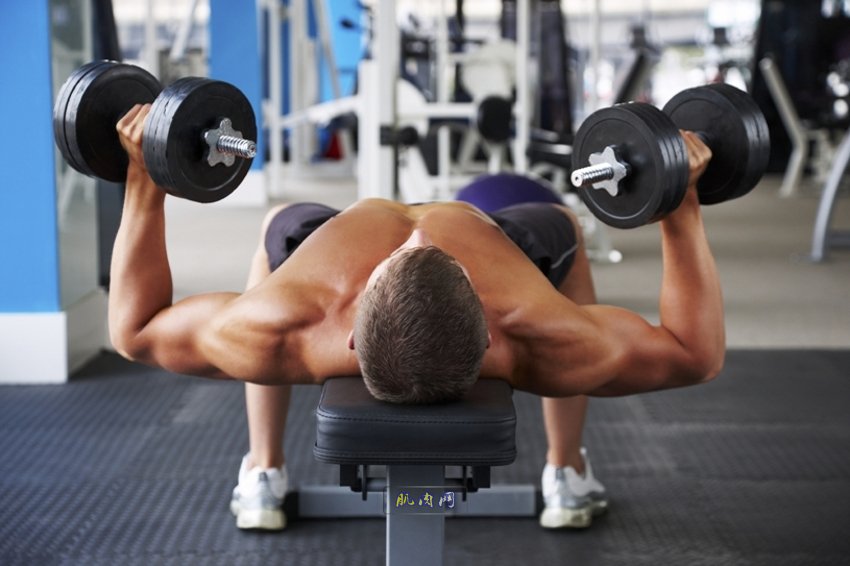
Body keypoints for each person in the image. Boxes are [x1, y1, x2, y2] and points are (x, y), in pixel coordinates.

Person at [111, 104, 721, 533]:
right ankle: (565, 470)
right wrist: (681, 204)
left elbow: (134, 331)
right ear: (491, 331)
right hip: (500, 243)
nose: (418, 234)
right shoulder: (544, 333)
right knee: (562, 225)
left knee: (278, 225)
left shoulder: (276, 327)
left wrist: (143, 179)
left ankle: (264, 470)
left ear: (350, 336)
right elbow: (696, 355)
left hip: (323, 258)